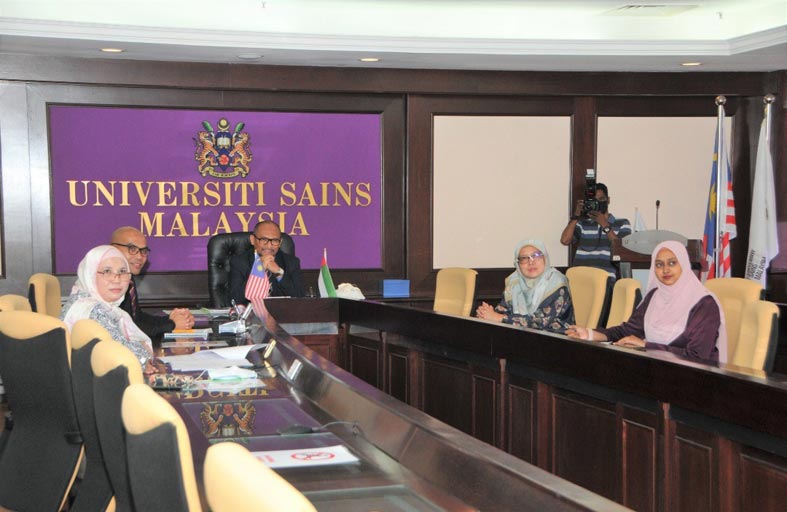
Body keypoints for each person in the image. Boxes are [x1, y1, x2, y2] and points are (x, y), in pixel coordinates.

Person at [565, 241, 727, 364]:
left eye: (672, 263)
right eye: (659, 265)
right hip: (655, 370)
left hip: (694, 380)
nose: (665, 270)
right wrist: (590, 334)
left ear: (684, 265)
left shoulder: (704, 304)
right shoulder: (655, 296)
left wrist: (646, 346)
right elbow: (627, 330)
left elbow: (697, 356)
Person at [61, 245, 156, 370]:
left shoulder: (97, 304)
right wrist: (143, 349)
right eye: (107, 271)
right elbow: (129, 356)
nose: (116, 279)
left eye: (122, 271)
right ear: (90, 274)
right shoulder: (90, 309)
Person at [111, 226, 195, 338]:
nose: (139, 256)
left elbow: (137, 319)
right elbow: (126, 330)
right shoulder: (109, 282)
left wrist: (172, 319)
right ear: (113, 249)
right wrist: (172, 324)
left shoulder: (128, 278)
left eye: (143, 251)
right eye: (132, 249)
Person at [476, 239, 574, 333]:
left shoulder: (556, 283)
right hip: (520, 337)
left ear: (545, 258)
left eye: (536, 255)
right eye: (524, 258)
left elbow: (540, 321)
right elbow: (503, 310)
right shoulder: (514, 282)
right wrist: (486, 313)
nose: (531, 262)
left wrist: (499, 318)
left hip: (556, 339)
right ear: (518, 264)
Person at [560, 183, 631, 278]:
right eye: (594, 201)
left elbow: (621, 251)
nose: (598, 203)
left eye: (601, 199)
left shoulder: (622, 223)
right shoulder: (582, 224)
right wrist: (576, 215)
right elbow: (565, 240)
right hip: (579, 278)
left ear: (608, 200)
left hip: (605, 279)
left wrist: (604, 224)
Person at [229, 220, 305, 305]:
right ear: (252, 240)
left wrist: (279, 273)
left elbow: (300, 298)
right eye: (264, 239)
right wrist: (258, 271)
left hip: (281, 312)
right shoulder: (239, 262)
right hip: (251, 312)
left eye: (275, 240)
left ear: (280, 243)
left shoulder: (291, 262)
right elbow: (235, 299)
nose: (269, 246)